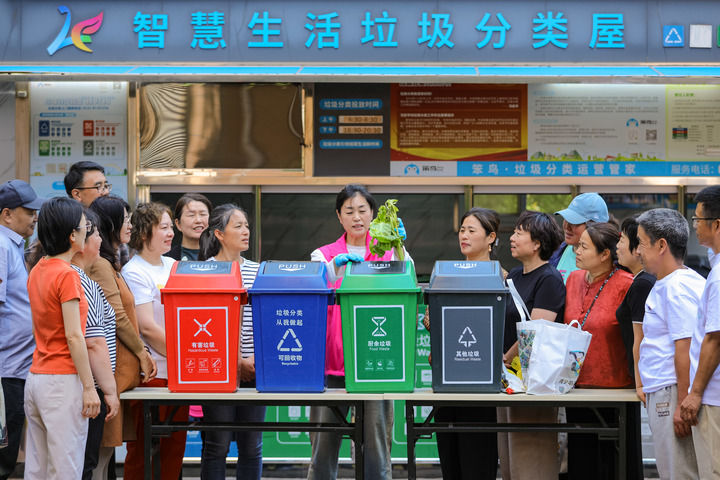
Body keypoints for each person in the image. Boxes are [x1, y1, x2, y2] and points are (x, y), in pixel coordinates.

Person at [307, 184, 411, 480]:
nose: (356, 217)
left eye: (362, 210)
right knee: (323, 443)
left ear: (373, 215)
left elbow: (407, 279)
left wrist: (401, 248)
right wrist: (333, 268)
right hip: (332, 362)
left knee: (375, 445)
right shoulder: (323, 255)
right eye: (349, 211)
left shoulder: (388, 252)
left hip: (376, 360)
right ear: (339, 216)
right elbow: (313, 287)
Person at [24, 197, 101, 479]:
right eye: (84, 227)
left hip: (37, 377)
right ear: (72, 235)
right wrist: (89, 387)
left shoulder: (38, 268)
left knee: (37, 468)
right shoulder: (68, 275)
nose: (87, 231)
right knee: (66, 469)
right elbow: (74, 336)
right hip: (63, 382)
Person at [87, 195, 157, 480]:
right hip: (110, 371)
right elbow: (117, 316)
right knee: (99, 457)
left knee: (104, 457)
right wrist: (142, 351)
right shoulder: (101, 265)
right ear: (109, 224)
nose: (129, 225)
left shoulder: (110, 263)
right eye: (124, 219)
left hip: (119, 372)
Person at [432, 207, 503, 479]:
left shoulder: (502, 278)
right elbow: (431, 319)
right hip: (447, 383)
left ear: (491, 237)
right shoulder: (445, 275)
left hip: (481, 387)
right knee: (450, 463)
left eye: (472, 230)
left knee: (478, 462)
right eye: (462, 230)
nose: (464, 235)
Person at [635, 208, 704, 478]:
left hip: (672, 391)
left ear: (661, 245)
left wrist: (682, 404)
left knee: (678, 472)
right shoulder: (676, 282)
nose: (637, 251)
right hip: (668, 390)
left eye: (641, 243)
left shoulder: (677, 287)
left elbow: (685, 347)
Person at [197, 204, 265, 479]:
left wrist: (253, 361)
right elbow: (202, 326)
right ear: (219, 234)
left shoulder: (259, 271)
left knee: (252, 446)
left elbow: (264, 322)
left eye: (246, 225)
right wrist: (235, 361)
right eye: (238, 226)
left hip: (255, 369)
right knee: (217, 444)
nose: (246, 231)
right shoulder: (203, 271)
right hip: (218, 369)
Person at [498, 210, 565, 480]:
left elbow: (535, 332)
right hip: (510, 380)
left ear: (537, 243)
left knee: (531, 461)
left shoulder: (549, 279)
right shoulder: (514, 275)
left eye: (519, 233)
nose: (512, 238)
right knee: (509, 460)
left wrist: (505, 358)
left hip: (534, 383)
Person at [563, 222, 633, 480]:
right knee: (580, 459)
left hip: (615, 390)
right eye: (578, 245)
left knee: (610, 463)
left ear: (605, 254)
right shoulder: (573, 279)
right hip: (575, 386)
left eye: (583, 246)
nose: (577, 251)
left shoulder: (627, 284)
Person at [121, 202, 185, 480]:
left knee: (174, 449)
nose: (171, 233)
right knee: (143, 450)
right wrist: (185, 355)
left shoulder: (174, 266)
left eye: (171, 227)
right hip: (152, 374)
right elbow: (146, 327)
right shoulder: (134, 271)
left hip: (180, 376)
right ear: (145, 231)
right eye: (164, 227)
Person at [71, 209, 121, 480]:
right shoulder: (82, 281)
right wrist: (108, 391)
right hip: (88, 385)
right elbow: (94, 343)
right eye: (98, 233)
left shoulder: (50, 271)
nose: (101, 240)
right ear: (80, 239)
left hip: (76, 382)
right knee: (84, 463)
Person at [0, 180, 43, 479]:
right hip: (6, 369)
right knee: (4, 453)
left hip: (16, 367)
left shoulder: (13, 245)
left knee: (9, 448)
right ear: (7, 214)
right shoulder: (2, 247)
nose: (35, 217)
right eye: (29, 211)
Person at [680, 185, 720, 478]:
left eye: (698, 219)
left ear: (716, 224)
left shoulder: (718, 276)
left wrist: (695, 393)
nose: (694, 225)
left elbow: (715, 339)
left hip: (714, 396)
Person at [614, 214, 655, 480]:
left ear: (638, 248)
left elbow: (640, 338)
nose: (617, 246)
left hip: (643, 382)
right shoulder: (642, 280)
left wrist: (639, 383)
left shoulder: (642, 284)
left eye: (622, 240)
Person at [550, 192, 610, 283]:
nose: (567, 227)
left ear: (595, 227)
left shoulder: (610, 265)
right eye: (566, 219)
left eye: (575, 222)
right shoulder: (558, 252)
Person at [168, 193, 212, 261]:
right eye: (191, 215)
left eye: (203, 214)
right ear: (178, 224)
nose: (198, 220)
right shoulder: (167, 259)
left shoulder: (222, 256)